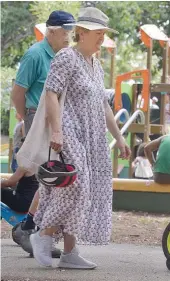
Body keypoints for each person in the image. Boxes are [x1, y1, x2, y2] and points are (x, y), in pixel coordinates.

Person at [26, 7, 130, 269]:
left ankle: (70, 252)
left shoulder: (95, 64)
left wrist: (119, 137)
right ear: (81, 33)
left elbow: (104, 105)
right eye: (98, 33)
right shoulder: (66, 57)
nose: (102, 38)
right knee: (77, 185)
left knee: (84, 189)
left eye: (104, 33)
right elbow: (50, 93)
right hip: (70, 130)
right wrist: (58, 131)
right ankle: (44, 234)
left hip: (93, 135)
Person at [11, 10, 76, 257]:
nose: (69, 36)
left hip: (57, 122)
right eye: (65, 31)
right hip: (36, 118)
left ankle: (36, 231)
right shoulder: (35, 55)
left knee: (51, 179)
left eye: (71, 31)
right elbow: (18, 93)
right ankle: (30, 231)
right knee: (42, 177)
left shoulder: (65, 55)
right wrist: (28, 122)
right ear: (51, 31)